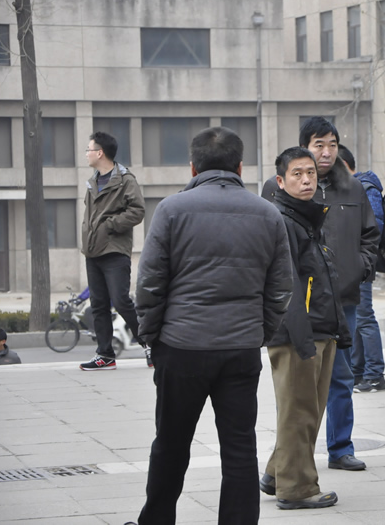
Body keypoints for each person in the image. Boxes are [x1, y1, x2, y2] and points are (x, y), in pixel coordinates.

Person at [134, 126, 294, 524]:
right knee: (239, 449)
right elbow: (280, 288)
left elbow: (150, 283)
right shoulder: (267, 214)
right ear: (240, 167)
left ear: (193, 167)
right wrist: (259, 333)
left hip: (181, 345)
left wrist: (152, 336)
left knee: (171, 444)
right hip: (240, 349)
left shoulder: (171, 210)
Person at [262, 117, 379, 472]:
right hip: (299, 303)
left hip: (342, 298)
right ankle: (289, 461)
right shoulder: (276, 188)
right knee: (297, 388)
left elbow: (370, 235)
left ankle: (340, 447)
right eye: (319, 145)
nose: (326, 152)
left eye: (332, 145)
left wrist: (359, 268)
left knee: (341, 377)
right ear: (304, 148)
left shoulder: (352, 188)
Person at [260, 147, 351, 510]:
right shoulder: (283, 220)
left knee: (307, 410)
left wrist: (337, 329)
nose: (306, 180)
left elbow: (321, 277)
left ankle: (276, 473)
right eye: (297, 174)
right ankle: (296, 488)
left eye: (310, 173)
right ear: (281, 181)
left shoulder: (307, 217)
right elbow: (286, 286)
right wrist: (301, 337)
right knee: (299, 411)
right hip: (299, 333)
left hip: (319, 328)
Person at [79, 131, 148, 371]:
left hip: (115, 250)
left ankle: (149, 344)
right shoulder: (93, 181)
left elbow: (137, 210)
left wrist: (110, 225)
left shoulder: (125, 180)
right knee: (98, 305)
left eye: (88, 149)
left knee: (121, 301)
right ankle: (105, 355)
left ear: (100, 153)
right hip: (93, 251)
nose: (86, 154)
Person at [339, 144, 385, 393]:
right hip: (348, 264)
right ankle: (358, 372)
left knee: (365, 318)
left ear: (343, 165)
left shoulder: (365, 188)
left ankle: (375, 374)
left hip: (360, 264)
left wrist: (360, 260)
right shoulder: (350, 189)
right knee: (356, 318)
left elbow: (373, 228)